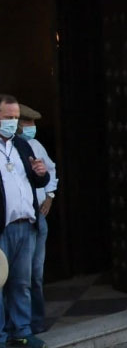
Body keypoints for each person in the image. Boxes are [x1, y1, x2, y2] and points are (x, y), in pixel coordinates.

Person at [0, 95, 50, 348]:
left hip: (26, 225)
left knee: (22, 282)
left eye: (15, 118)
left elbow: (37, 180)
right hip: (2, 228)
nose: (14, 123)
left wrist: (42, 174)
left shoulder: (22, 145)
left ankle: (21, 331)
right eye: (8, 118)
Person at [15, 105, 58, 335]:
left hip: (37, 217)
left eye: (32, 123)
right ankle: (18, 327)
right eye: (26, 123)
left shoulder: (34, 145)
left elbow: (50, 171)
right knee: (18, 278)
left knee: (35, 274)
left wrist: (50, 196)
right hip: (15, 221)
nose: (31, 128)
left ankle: (36, 321)